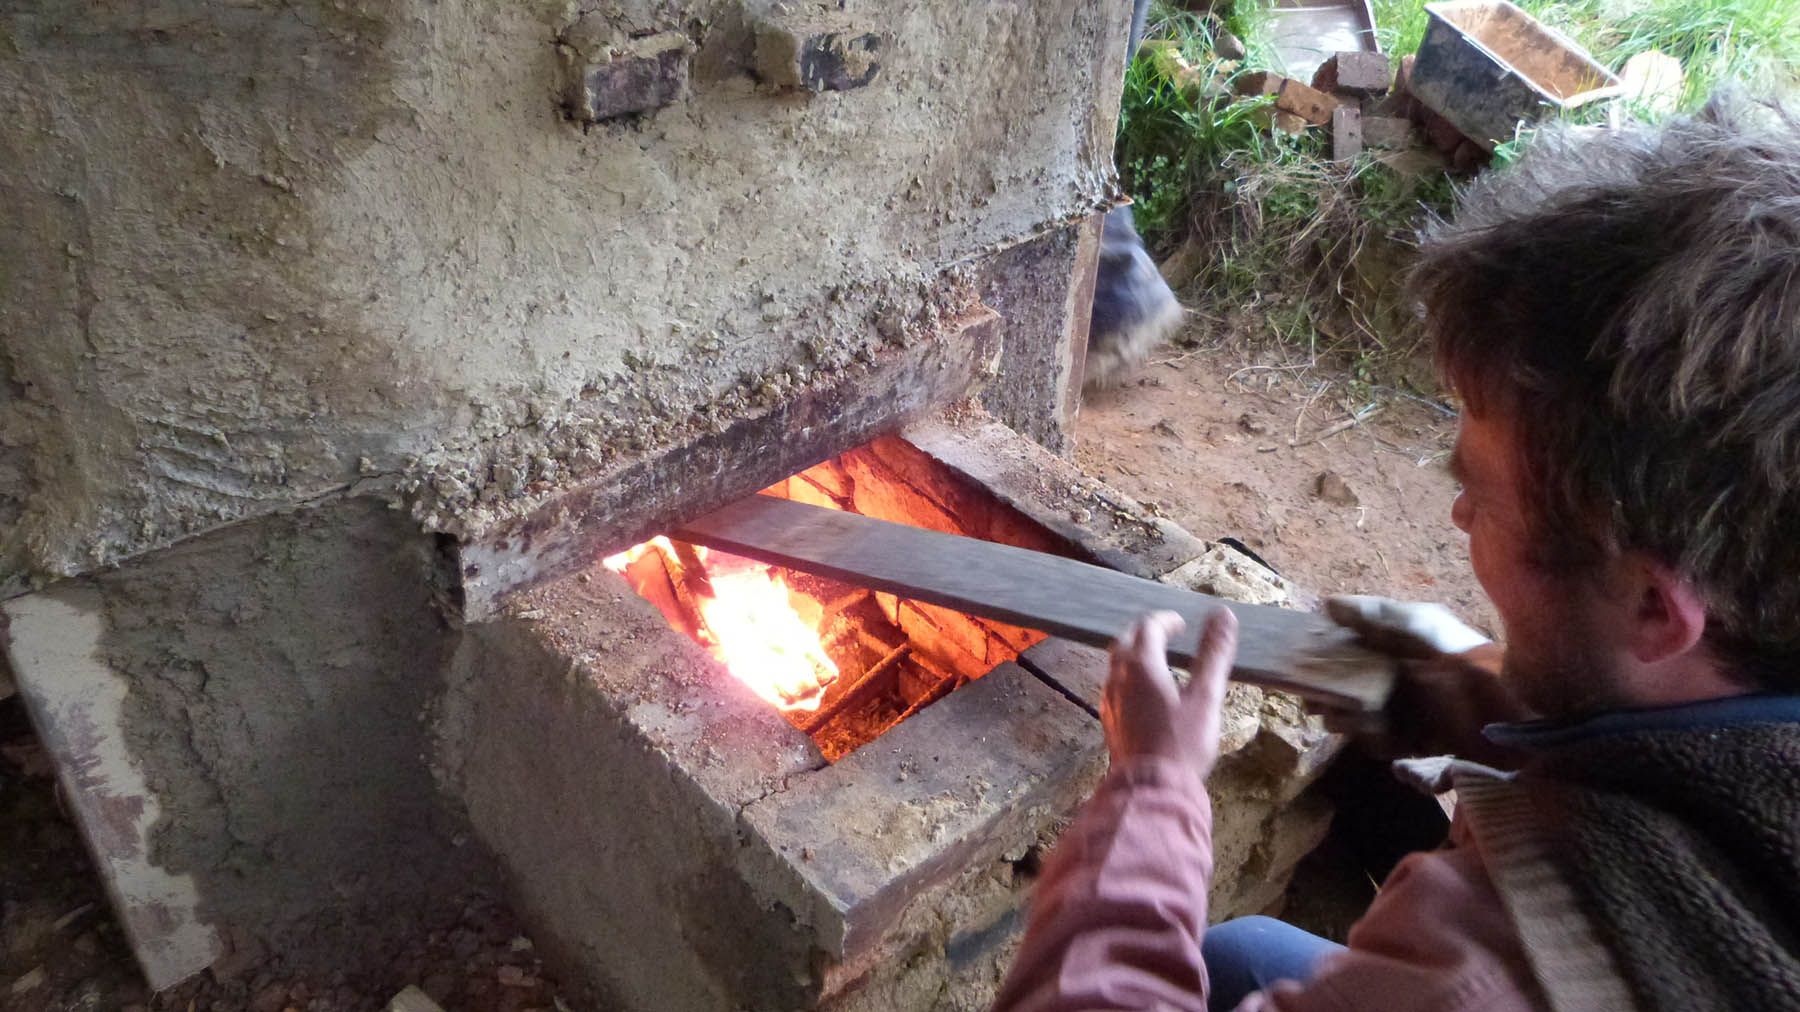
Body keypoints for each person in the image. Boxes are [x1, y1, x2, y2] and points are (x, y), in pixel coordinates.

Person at [992, 98, 1800, 1012]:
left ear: (1653, 607)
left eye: (1480, 492)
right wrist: (1485, 698)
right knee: (1244, 950)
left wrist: (1154, 791)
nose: (1456, 513)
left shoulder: (1483, 971)